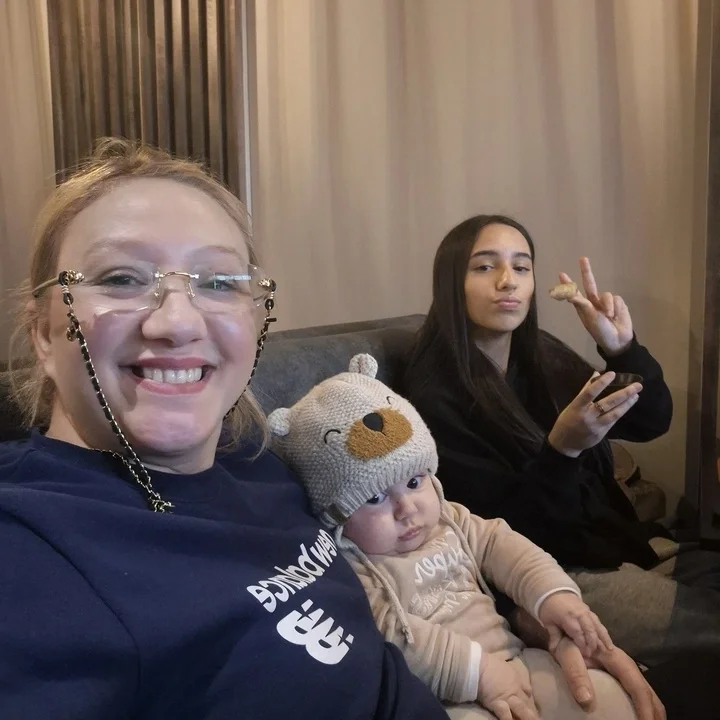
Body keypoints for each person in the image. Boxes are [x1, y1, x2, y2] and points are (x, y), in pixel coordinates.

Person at [0, 138, 454, 719]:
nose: (177, 322)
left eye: (217, 283)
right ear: (43, 333)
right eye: (121, 277)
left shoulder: (257, 460)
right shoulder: (30, 547)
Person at [267, 353, 664, 720]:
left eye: (414, 481)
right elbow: (388, 634)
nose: (406, 509)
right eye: (374, 498)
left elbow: (503, 545)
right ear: (336, 519)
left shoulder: (450, 518)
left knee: (604, 697)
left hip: (515, 657)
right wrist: (478, 673)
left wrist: (553, 598)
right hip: (448, 696)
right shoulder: (351, 566)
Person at [401, 214, 720, 667]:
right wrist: (563, 451)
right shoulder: (434, 397)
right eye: (485, 267)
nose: (508, 281)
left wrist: (622, 349)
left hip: (611, 542)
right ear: (452, 282)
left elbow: (651, 422)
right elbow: (503, 537)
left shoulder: (540, 355)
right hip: (552, 574)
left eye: (522, 267)